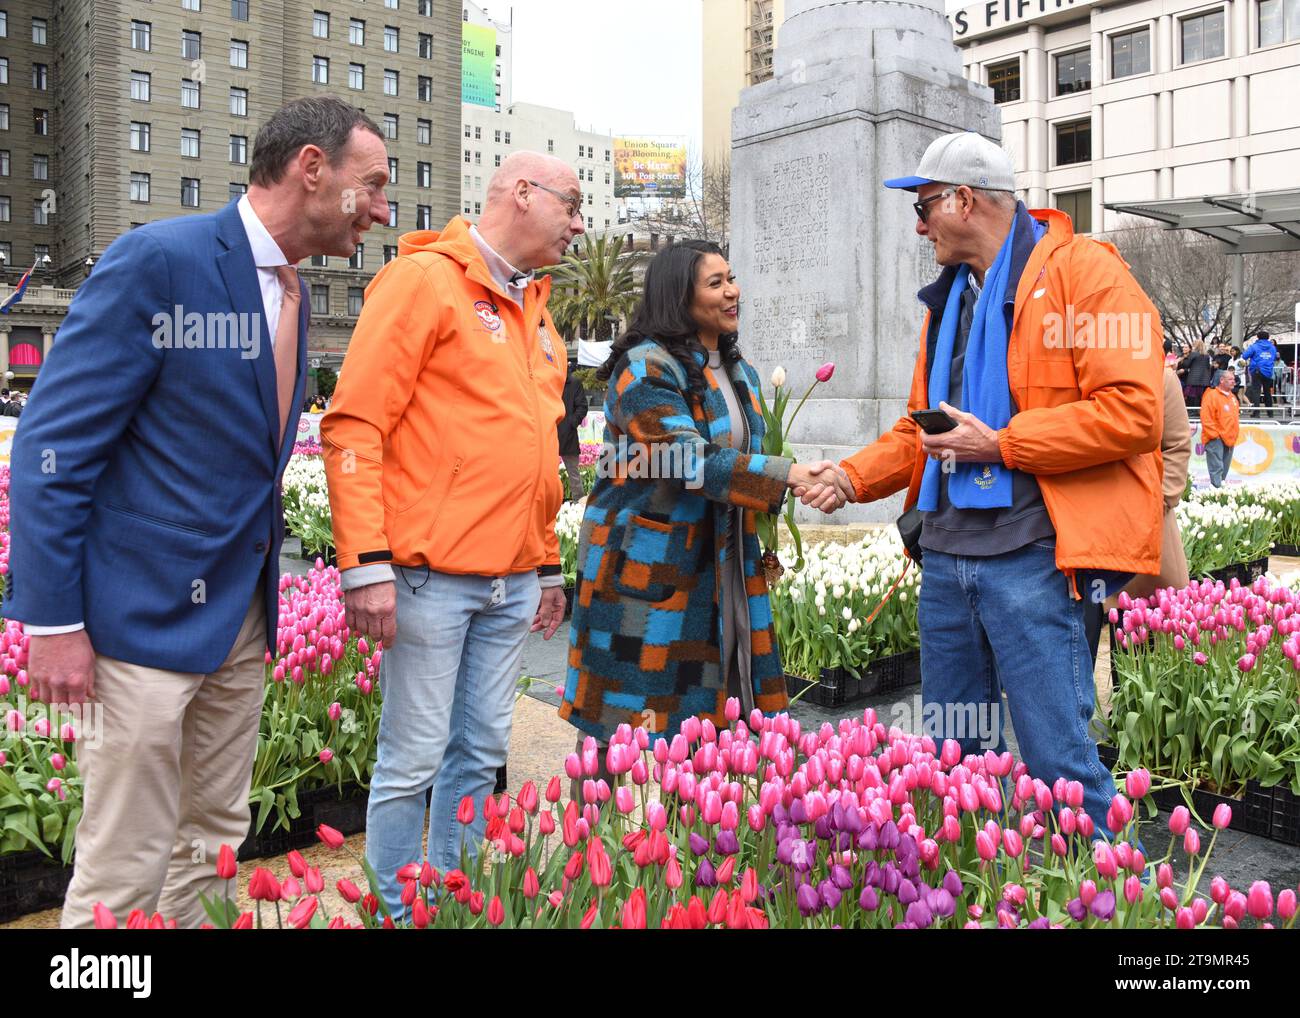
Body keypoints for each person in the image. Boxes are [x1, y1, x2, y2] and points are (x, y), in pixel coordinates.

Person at [6, 96, 389, 927]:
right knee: (123, 858)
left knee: (215, 838)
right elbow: (54, 447)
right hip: (139, 621)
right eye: (374, 185)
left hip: (240, 624)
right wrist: (50, 622)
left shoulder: (296, 293)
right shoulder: (159, 261)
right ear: (311, 169)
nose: (384, 209)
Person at [809, 131, 1164, 837]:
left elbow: (1134, 412)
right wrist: (849, 477)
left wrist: (1000, 445)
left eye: (925, 206)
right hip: (945, 560)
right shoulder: (949, 301)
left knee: (1059, 760)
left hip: (1034, 559)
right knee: (952, 759)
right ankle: (967, 894)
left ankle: (1100, 906)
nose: (918, 225)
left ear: (964, 200)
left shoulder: (1083, 271)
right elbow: (924, 430)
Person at [322, 151, 579, 914]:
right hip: (431, 580)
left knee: (479, 757)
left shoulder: (537, 309)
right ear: (522, 192)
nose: (578, 224)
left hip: (511, 584)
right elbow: (355, 424)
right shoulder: (424, 281)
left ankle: (456, 903)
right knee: (411, 762)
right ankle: (400, 912)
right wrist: (364, 565)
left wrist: (548, 563)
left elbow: (538, 454)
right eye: (571, 205)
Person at [560, 240, 849, 754]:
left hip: (727, 565)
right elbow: (685, 458)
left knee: (715, 717)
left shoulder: (741, 373)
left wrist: (796, 480)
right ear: (679, 296)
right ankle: (595, 828)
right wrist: (791, 475)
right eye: (715, 283)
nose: (733, 291)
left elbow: (739, 457)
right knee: (623, 719)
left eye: (731, 278)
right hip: (650, 569)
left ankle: (695, 827)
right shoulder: (644, 367)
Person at [1122, 355, 1191, 598]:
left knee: (1152, 615)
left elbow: (1177, 445)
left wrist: (1160, 501)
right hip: (1089, 526)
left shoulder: (1160, 376)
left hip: (1148, 518)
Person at [1201, 368, 1240, 487]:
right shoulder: (1211, 396)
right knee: (1216, 468)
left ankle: (1219, 491)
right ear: (1221, 380)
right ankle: (1216, 492)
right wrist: (1215, 436)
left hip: (1229, 438)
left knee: (1224, 468)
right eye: (1230, 379)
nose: (1233, 382)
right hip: (1216, 438)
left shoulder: (1233, 397)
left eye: (1234, 379)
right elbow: (1206, 418)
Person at [558, 368, 588, 500]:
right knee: (546, 474)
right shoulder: (547, 381)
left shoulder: (574, 383)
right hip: (548, 433)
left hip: (568, 434)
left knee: (574, 474)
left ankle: (578, 503)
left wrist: (572, 422)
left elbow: (582, 406)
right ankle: (551, 504)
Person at [1243, 331, 1279, 417]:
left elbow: (1245, 356)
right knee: (1267, 392)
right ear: (1268, 337)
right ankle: (1270, 413)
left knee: (1256, 392)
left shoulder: (1254, 346)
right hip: (1268, 371)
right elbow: (1274, 358)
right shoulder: (1272, 347)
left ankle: (1256, 412)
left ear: (1257, 337)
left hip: (1257, 370)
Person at [1179, 340, 1212, 407]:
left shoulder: (1193, 354)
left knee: (1192, 397)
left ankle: (1192, 413)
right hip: (1204, 380)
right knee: (1201, 398)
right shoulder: (1207, 356)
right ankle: (1199, 412)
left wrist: (1183, 359)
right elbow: (1208, 367)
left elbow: (1186, 364)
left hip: (1193, 380)